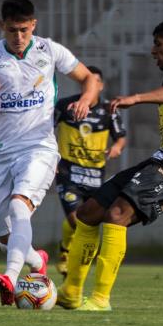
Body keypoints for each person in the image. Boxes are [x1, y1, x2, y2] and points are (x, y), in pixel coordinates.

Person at [56, 18, 163, 311]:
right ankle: (70, 292)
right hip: (162, 159)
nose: (152, 51)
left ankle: (100, 299)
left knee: (116, 215)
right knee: (87, 213)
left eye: (158, 45)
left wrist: (135, 98)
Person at [0, 0, 100, 306]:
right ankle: (37, 260)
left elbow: (89, 79)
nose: (18, 38)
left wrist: (86, 98)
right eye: (11, 31)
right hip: (0, 153)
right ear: (1, 26)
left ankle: (9, 277)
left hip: (39, 148)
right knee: (6, 237)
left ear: (33, 24)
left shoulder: (50, 50)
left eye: (23, 30)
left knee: (21, 208)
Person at [53, 65, 127, 278]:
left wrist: (117, 147)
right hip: (68, 174)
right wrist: (49, 155)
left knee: (87, 222)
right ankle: (76, 268)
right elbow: (47, 127)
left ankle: (65, 249)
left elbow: (120, 137)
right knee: (77, 220)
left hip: (95, 177)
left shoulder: (108, 112)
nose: (92, 86)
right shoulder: (66, 106)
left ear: (101, 85)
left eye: (96, 82)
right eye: (89, 81)